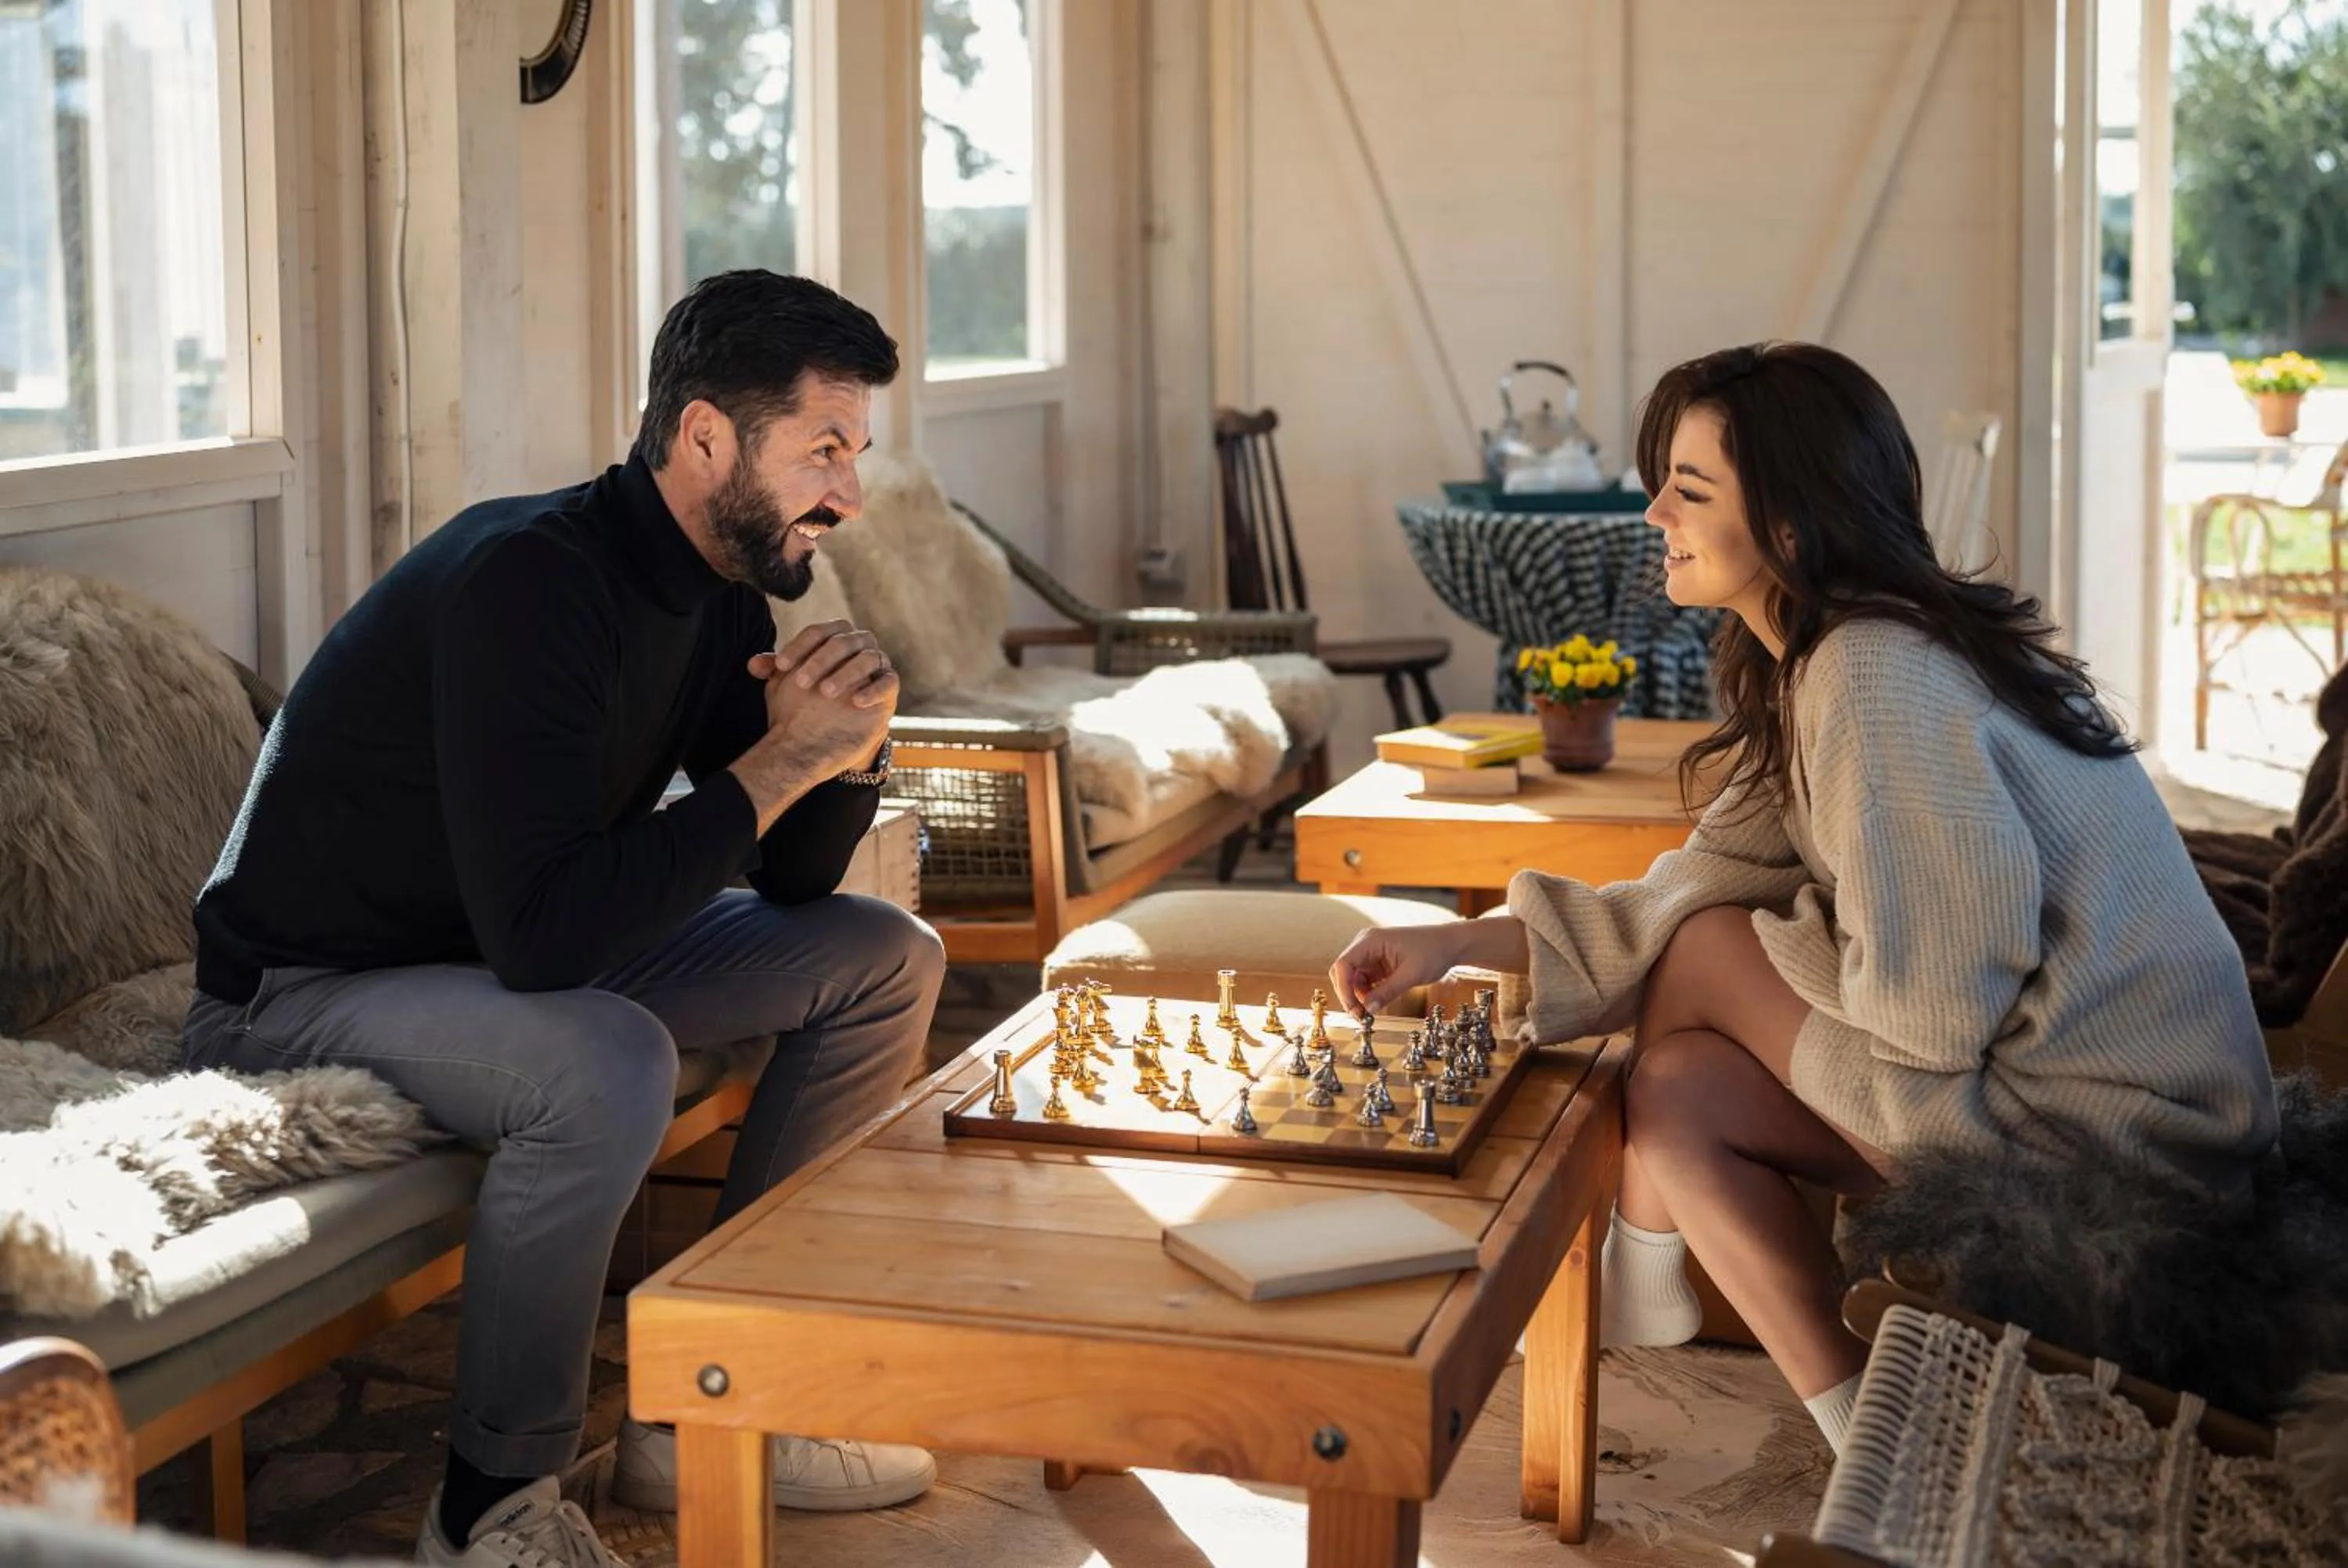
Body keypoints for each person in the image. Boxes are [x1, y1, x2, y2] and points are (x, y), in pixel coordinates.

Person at [1329, 340, 2279, 1453]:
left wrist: (1778, 944)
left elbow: (1931, 1015)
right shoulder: (1819, 660)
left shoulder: (1876, 671)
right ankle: (1869, 1439)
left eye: (1688, 490)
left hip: (2118, 1133)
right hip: (2040, 1093)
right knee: (1678, 1084)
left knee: (1713, 952)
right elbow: (1695, 878)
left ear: (1790, 522)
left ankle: (1641, 1242)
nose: (1652, 516)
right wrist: (1458, 943)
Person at [184, 272, 946, 1566]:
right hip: (306, 989)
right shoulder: (527, 585)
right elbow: (547, 938)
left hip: (490, 956)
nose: (849, 495)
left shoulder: (717, 596)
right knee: (608, 1061)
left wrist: (845, 755)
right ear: (707, 437)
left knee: (881, 954)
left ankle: (712, 1403)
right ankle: (488, 1508)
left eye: (855, 453)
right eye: (825, 449)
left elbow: (792, 885)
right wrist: (776, 764)